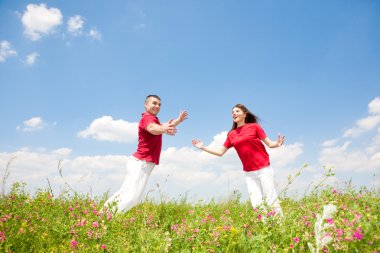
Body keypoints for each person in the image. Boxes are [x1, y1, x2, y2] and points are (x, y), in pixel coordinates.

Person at [192, 104, 284, 215]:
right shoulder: (231, 134)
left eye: (237, 111)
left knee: (271, 198)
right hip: (249, 172)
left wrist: (278, 144)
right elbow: (220, 152)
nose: (234, 113)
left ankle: (280, 226)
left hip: (264, 168)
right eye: (232, 112)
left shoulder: (254, 127)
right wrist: (203, 147)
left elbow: (269, 143)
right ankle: (264, 227)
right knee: (256, 203)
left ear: (245, 114)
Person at [104, 95, 188, 213]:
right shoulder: (147, 118)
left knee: (130, 195)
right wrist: (163, 128)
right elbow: (152, 128)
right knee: (131, 197)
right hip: (140, 162)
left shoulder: (154, 119)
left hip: (143, 163)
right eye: (154, 103)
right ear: (146, 104)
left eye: (159, 104)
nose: (157, 106)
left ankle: (104, 216)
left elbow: (164, 125)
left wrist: (178, 120)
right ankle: (105, 217)